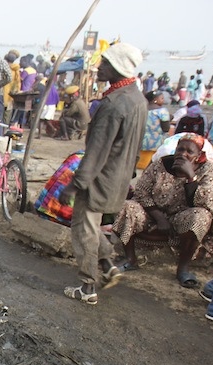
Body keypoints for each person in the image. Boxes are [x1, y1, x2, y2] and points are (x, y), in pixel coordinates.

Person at [59, 42, 147, 304]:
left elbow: (97, 150)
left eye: (105, 63)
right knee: (92, 225)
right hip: (119, 177)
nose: (99, 67)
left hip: (99, 177)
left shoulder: (113, 104)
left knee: (83, 229)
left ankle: (88, 287)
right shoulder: (137, 100)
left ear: (118, 68)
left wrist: (75, 185)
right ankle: (108, 264)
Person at [112, 134, 213, 288]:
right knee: (127, 206)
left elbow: (207, 202)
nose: (183, 154)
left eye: (189, 152)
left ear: (198, 156)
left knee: (201, 217)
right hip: (152, 214)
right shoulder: (161, 164)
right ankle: (130, 259)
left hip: (182, 219)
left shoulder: (209, 171)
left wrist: (191, 177)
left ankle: (183, 268)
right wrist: (159, 218)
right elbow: (141, 192)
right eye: (180, 149)